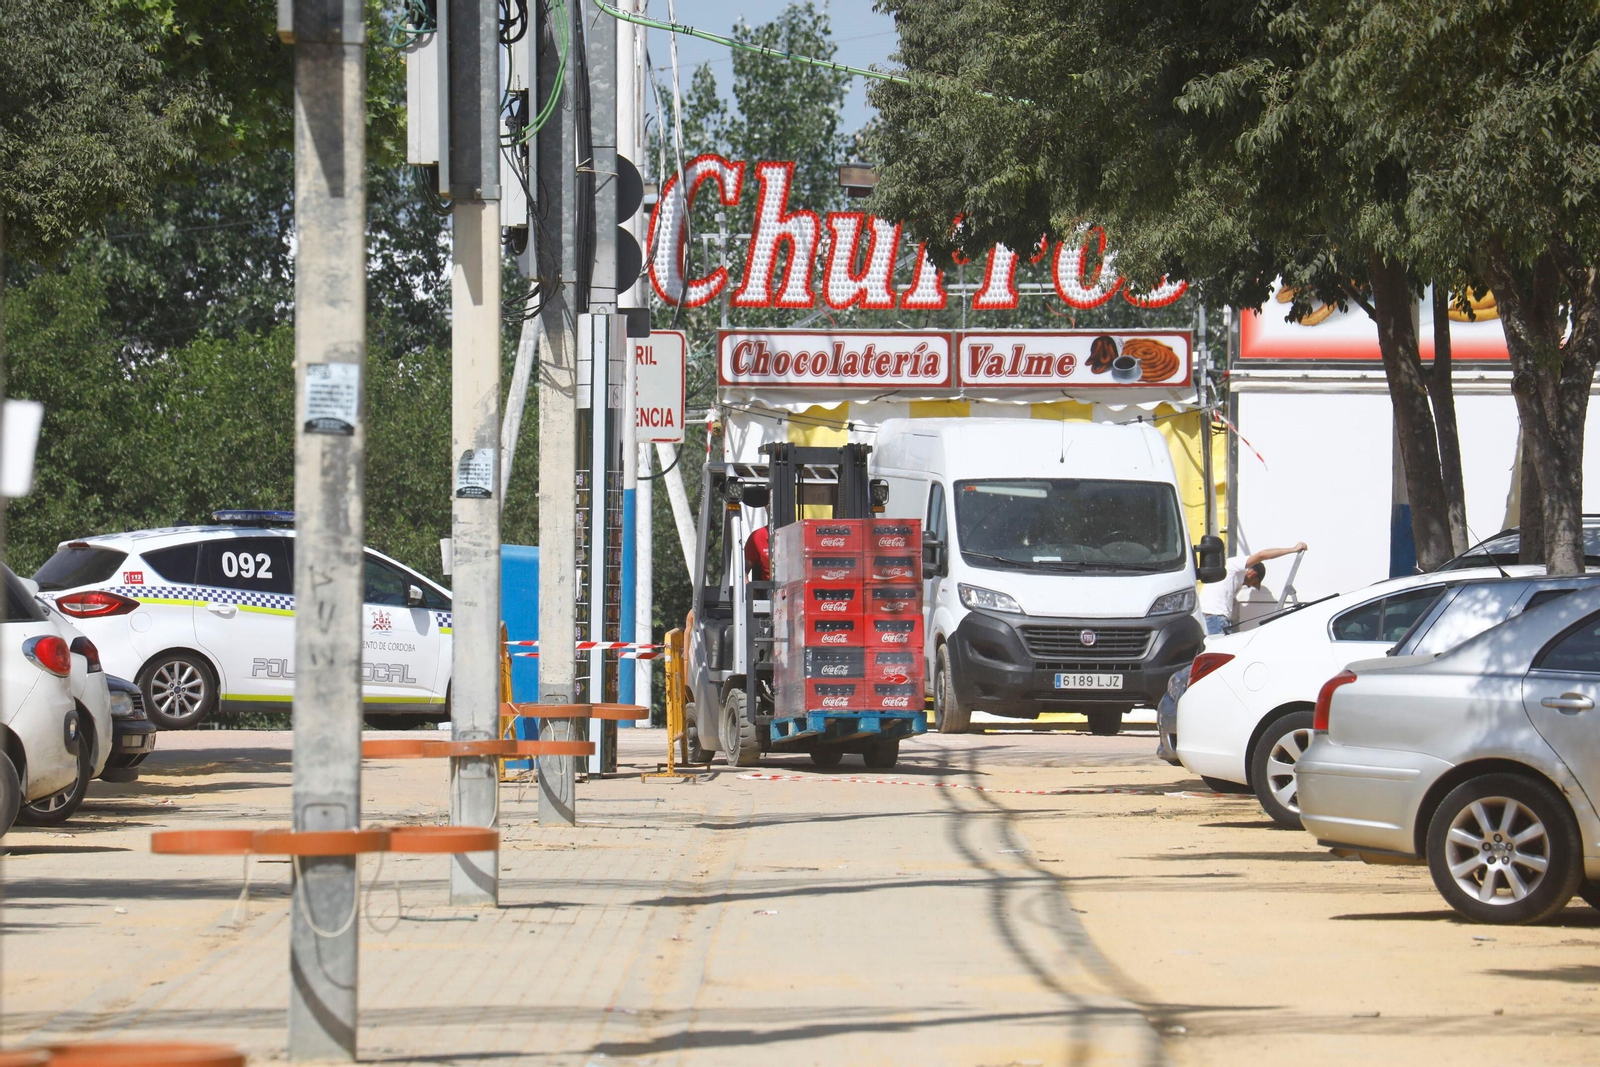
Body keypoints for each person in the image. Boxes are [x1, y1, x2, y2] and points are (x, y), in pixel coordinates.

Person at [1200, 542, 1307, 635]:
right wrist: (1292, 550)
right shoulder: (1234, 565)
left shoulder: (1232, 577)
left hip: (1212, 617)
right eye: (1253, 583)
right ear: (1253, 575)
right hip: (1216, 618)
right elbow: (1262, 555)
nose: (1249, 586)